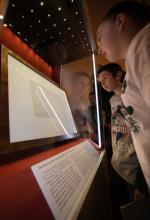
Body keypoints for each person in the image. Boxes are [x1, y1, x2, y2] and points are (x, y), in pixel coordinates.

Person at [96, 0, 150, 193]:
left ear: (120, 21)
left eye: (99, 37)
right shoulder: (137, 55)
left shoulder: (144, 45)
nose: (100, 49)